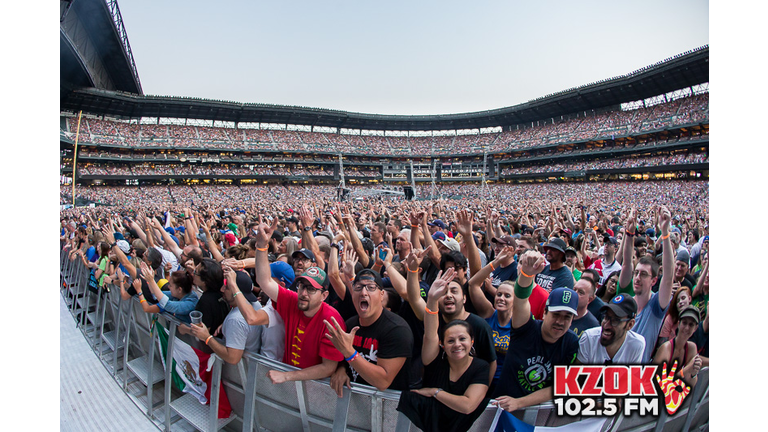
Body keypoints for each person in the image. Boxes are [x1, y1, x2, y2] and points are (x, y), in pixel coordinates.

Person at [228, 217, 345, 383]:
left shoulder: (331, 320)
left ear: (324, 296)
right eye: (302, 286)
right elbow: (265, 281)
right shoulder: (294, 300)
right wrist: (261, 246)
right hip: (287, 384)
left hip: (314, 388)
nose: (304, 293)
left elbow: (328, 367)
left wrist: (288, 376)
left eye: (311, 289)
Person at [396, 270, 490, 432]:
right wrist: (432, 299)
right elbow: (431, 332)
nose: (457, 345)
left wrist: (435, 392)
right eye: (450, 340)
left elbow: (467, 405)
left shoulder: (481, 367)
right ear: (442, 344)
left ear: (472, 341)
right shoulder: (434, 360)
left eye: (462, 339)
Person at [491, 250, 579, 412]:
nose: (560, 321)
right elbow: (521, 299)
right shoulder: (526, 327)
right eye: (556, 314)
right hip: (502, 408)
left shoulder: (571, 342)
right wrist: (526, 273)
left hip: (537, 414)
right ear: (545, 312)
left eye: (567, 317)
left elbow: (560, 385)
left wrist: (520, 403)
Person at [326, 269, 413, 397]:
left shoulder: (397, 330)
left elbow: (383, 381)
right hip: (355, 402)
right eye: (358, 288)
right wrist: (341, 369)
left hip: (387, 408)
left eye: (371, 288)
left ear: (381, 294)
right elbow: (343, 360)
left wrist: (349, 353)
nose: (363, 292)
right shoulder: (350, 324)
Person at [616, 206, 674, 363]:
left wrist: (665, 233)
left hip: (637, 376)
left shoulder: (656, 306)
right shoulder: (626, 301)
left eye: (643, 274)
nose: (637, 278)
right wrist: (629, 233)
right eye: (637, 273)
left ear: (654, 281)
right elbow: (627, 262)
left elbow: (668, 277)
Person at [189, 268, 264, 364]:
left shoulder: (235, 320)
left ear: (237, 291)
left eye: (227, 287)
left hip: (237, 375)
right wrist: (225, 325)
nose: (222, 289)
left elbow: (233, 358)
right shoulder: (255, 304)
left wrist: (207, 337)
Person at [577, 294, 645, 364]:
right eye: (606, 317)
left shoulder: (637, 344)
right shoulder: (589, 338)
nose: (606, 325)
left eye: (615, 320)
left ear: (630, 325)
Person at [652, 306, 703, 387]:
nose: (687, 328)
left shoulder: (691, 348)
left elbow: (691, 385)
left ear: (695, 328)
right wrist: (686, 370)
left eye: (691, 325)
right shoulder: (666, 348)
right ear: (678, 324)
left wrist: (693, 373)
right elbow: (659, 384)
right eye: (684, 323)